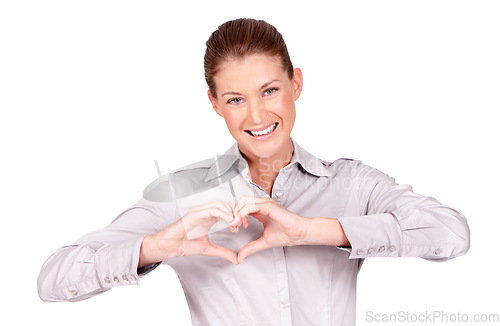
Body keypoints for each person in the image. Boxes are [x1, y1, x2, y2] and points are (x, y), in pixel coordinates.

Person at [37, 18, 471, 325]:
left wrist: (313, 231)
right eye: (235, 99)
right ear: (214, 104)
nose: (257, 114)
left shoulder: (352, 183)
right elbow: (53, 280)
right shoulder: (179, 194)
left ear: (296, 84)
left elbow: (451, 235)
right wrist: (153, 248)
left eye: (269, 90)